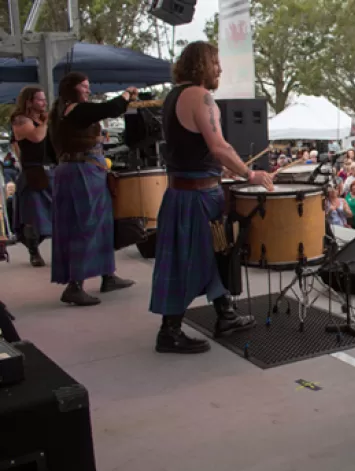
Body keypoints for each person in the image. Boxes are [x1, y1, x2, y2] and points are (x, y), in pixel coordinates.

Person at [149, 41, 273, 354]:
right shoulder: (199, 96)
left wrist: (223, 173)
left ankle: (226, 315)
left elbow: (197, 150)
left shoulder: (175, 96)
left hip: (187, 192)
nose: (219, 68)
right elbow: (219, 146)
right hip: (195, 198)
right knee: (189, 261)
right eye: (215, 62)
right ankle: (169, 331)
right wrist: (249, 174)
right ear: (203, 64)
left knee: (212, 256)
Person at [48, 72, 136, 306]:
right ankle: (75, 285)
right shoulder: (74, 110)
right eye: (84, 87)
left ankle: (107, 274)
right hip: (82, 172)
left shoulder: (60, 114)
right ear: (73, 89)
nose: (88, 90)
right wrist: (127, 93)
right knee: (84, 226)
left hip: (79, 171)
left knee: (100, 223)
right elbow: (111, 107)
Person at [10, 86, 52, 267]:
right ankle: (34, 252)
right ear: (29, 102)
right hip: (33, 172)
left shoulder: (41, 119)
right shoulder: (20, 119)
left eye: (44, 99)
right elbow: (36, 137)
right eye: (40, 99)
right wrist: (46, 123)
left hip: (50, 170)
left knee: (54, 214)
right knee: (33, 217)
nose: (44, 102)